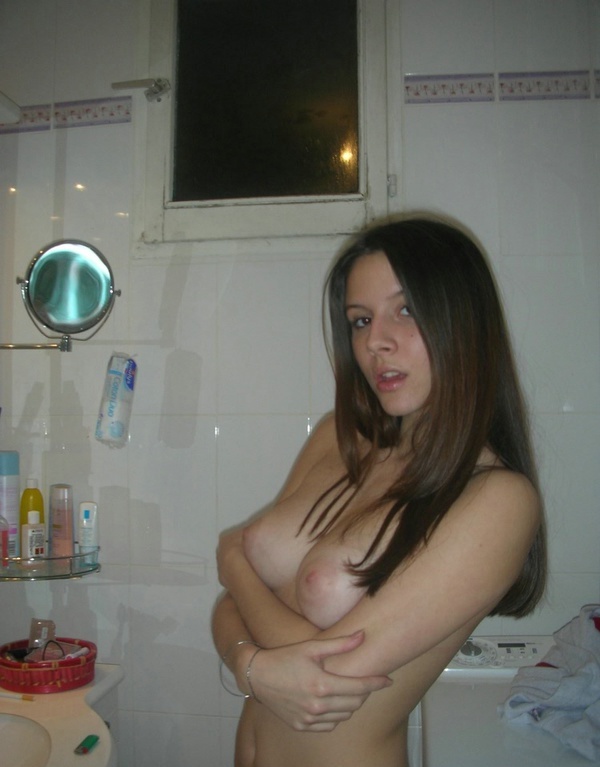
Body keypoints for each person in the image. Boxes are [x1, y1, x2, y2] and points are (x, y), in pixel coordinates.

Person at [212, 212, 547, 767]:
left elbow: (325, 677)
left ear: (463, 320)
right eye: (361, 320)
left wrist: (233, 566)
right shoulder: (337, 438)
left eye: (406, 310)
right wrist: (253, 664)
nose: (376, 343)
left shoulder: (497, 499)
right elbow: (232, 611)